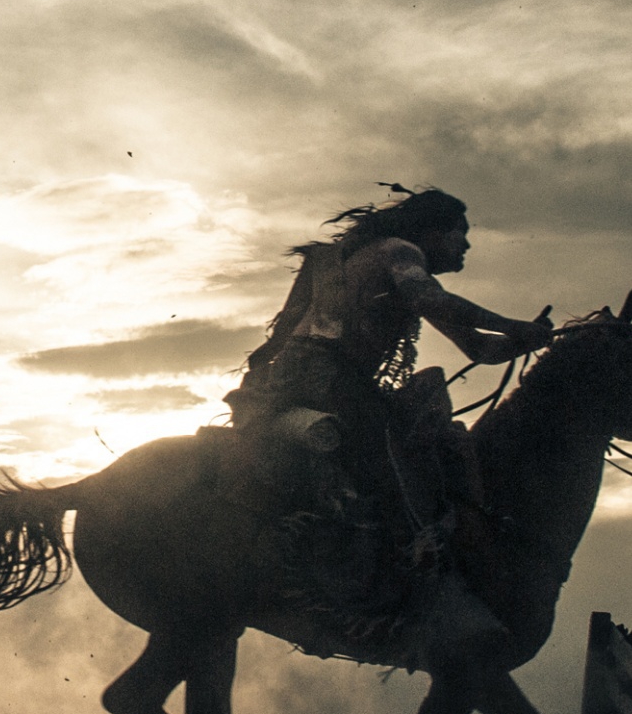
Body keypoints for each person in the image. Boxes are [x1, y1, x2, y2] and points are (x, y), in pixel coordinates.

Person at [225, 187, 552, 575]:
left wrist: (526, 340)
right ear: (432, 231)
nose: (465, 245)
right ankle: (411, 549)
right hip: (331, 380)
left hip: (312, 379)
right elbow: (431, 300)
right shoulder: (400, 251)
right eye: (459, 233)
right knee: (404, 450)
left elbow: (479, 349)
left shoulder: (392, 271)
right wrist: (513, 325)